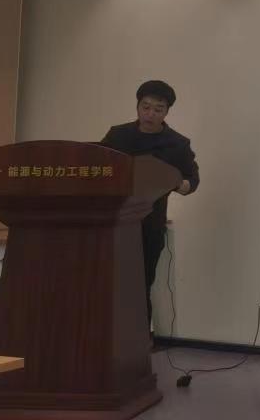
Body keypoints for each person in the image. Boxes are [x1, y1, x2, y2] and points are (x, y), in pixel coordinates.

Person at [100, 80, 199, 333]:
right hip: (111, 221)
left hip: (149, 223)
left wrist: (176, 182)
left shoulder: (177, 144)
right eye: (145, 107)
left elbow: (191, 181)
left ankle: (137, 339)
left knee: (140, 282)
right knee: (107, 281)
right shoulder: (118, 135)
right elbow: (97, 165)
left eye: (158, 109)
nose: (150, 114)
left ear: (167, 112)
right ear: (137, 107)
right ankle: (105, 335)